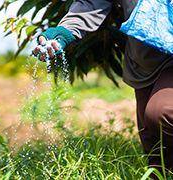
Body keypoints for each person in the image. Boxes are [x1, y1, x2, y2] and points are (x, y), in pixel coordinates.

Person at [32, 0, 173, 173]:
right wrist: (64, 32)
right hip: (145, 62)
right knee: (157, 155)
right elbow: (91, 3)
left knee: (163, 112)